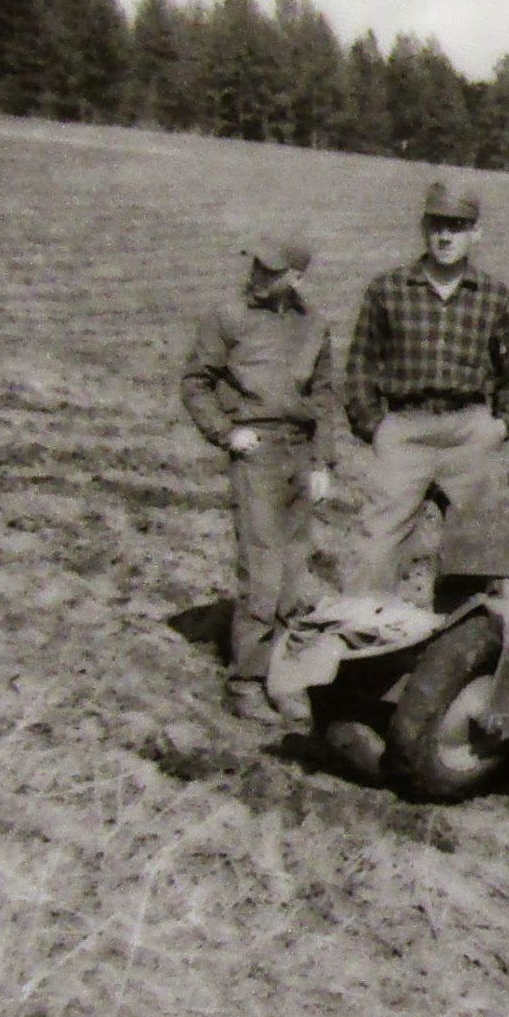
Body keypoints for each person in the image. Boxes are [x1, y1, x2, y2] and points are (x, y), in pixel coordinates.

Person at [343, 180, 509, 598]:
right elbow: (359, 366)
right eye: (437, 225)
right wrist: (376, 428)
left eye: (457, 227)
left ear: (476, 233)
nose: (446, 237)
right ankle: (365, 632)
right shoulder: (388, 289)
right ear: (423, 228)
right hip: (405, 431)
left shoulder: (494, 297)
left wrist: (499, 427)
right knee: (375, 549)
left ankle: (463, 633)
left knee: (480, 553)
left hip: (468, 434)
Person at [181, 236, 335, 724]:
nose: (258, 276)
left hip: (300, 453)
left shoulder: (314, 326)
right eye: (257, 267)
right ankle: (245, 684)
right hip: (258, 454)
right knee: (263, 573)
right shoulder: (228, 317)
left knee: (294, 574)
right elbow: (196, 382)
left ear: (296, 278)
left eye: (272, 271)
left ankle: (282, 681)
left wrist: (323, 463)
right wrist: (226, 433)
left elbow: (324, 397)